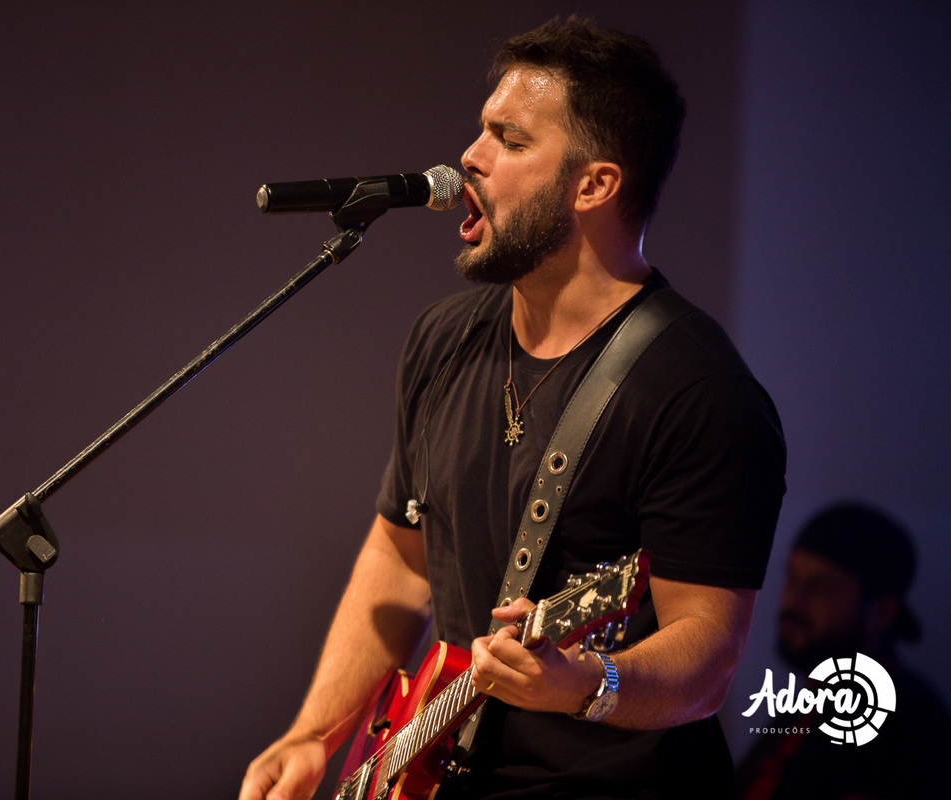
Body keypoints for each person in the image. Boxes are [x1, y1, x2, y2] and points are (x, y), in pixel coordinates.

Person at [240, 16, 786, 800]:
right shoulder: (445, 339)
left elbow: (707, 655)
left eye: (511, 138)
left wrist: (588, 682)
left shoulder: (699, 392)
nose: (470, 155)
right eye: (482, 129)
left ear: (594, 185)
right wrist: (314, 735)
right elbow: (400, 557)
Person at [735, 502, 951, 799]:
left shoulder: (907, 716)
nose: (793, 601)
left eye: (821, 587)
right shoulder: (810, 703)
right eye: (792, 578)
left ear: (883, 612)